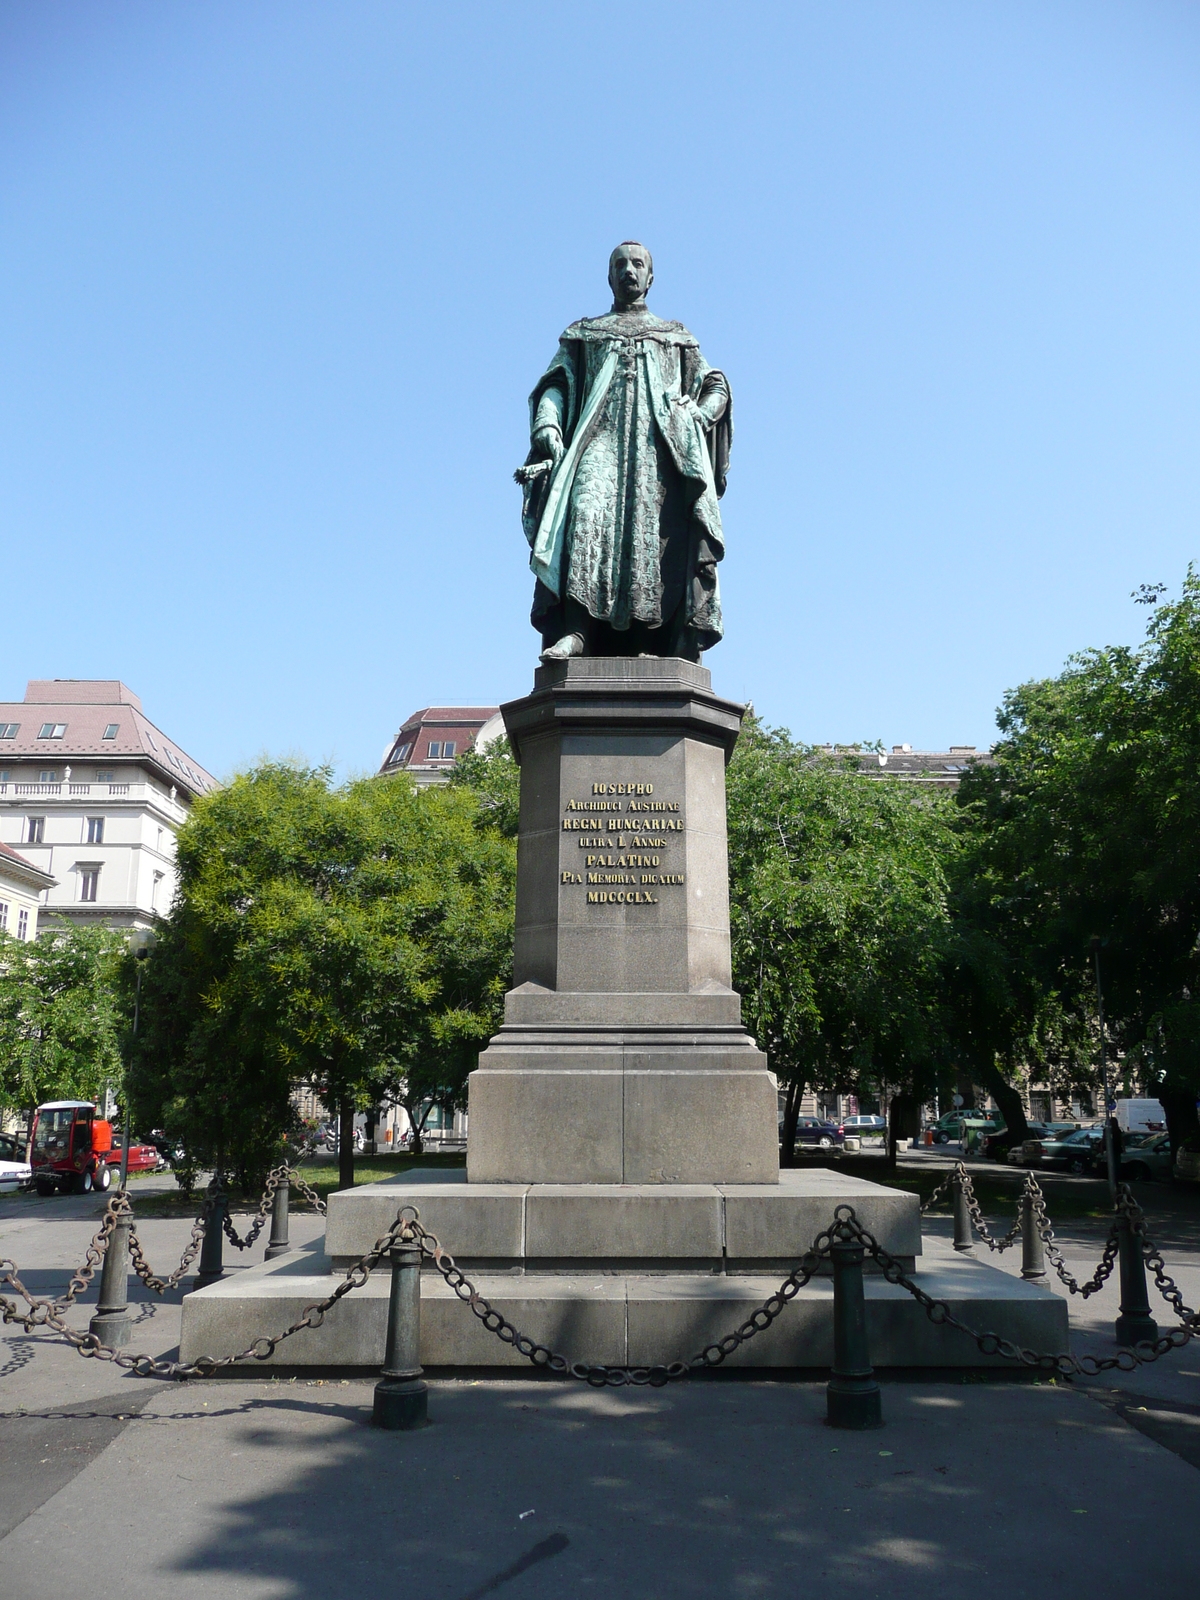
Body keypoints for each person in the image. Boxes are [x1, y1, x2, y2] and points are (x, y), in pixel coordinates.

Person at [517, 242, 732, 662]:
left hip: (659, 449)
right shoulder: (585, 333)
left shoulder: (675, 336)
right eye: (620, 264)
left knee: (652, 535)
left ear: (651, 278)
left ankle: (649, 644)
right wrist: (547, 421)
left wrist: (701, 414)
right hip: (598, 441)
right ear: (609, 277)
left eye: (638, 264)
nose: (629, 270)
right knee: (585, 512)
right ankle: (576, 631)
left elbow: (715, 385)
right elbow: (556, 383)